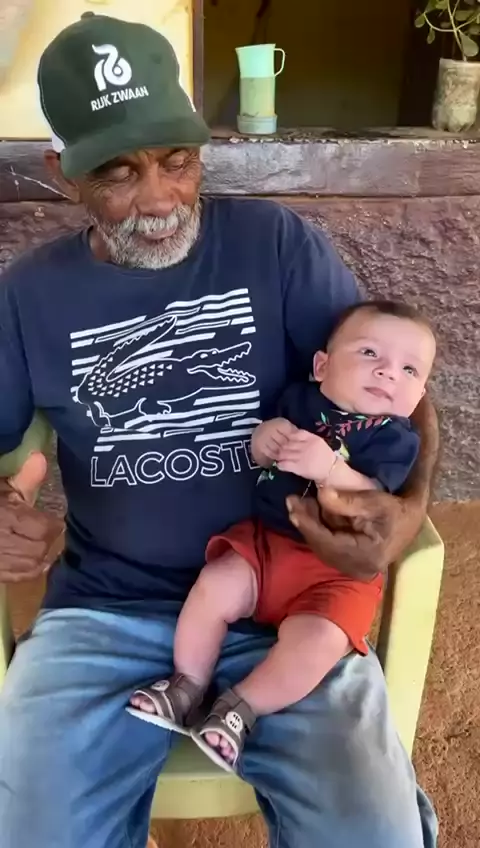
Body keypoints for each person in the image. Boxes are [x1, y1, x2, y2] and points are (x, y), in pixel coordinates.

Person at [0, 13, 439, 848]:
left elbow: (399, 389)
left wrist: (406, 508)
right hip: (108, 611)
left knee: (371, 831)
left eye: (177, 159)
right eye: (119, 172)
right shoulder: (28, 295)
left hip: (293, 603)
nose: (160, 198)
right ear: (64, 174)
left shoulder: (274, 245)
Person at [128, 300, 437, 771]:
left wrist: (331, 470)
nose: (388, 372)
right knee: (214, 585)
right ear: (322, 366)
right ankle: (187, 684)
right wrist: (262, 440)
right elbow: (264, 453)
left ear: (418, 396)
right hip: (265, 546)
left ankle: (240, 708)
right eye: (370, 353)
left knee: (319, 642)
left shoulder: (395, 439)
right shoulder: (299, 402)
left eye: (409, 369)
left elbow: (377, 497)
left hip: (336, 572)